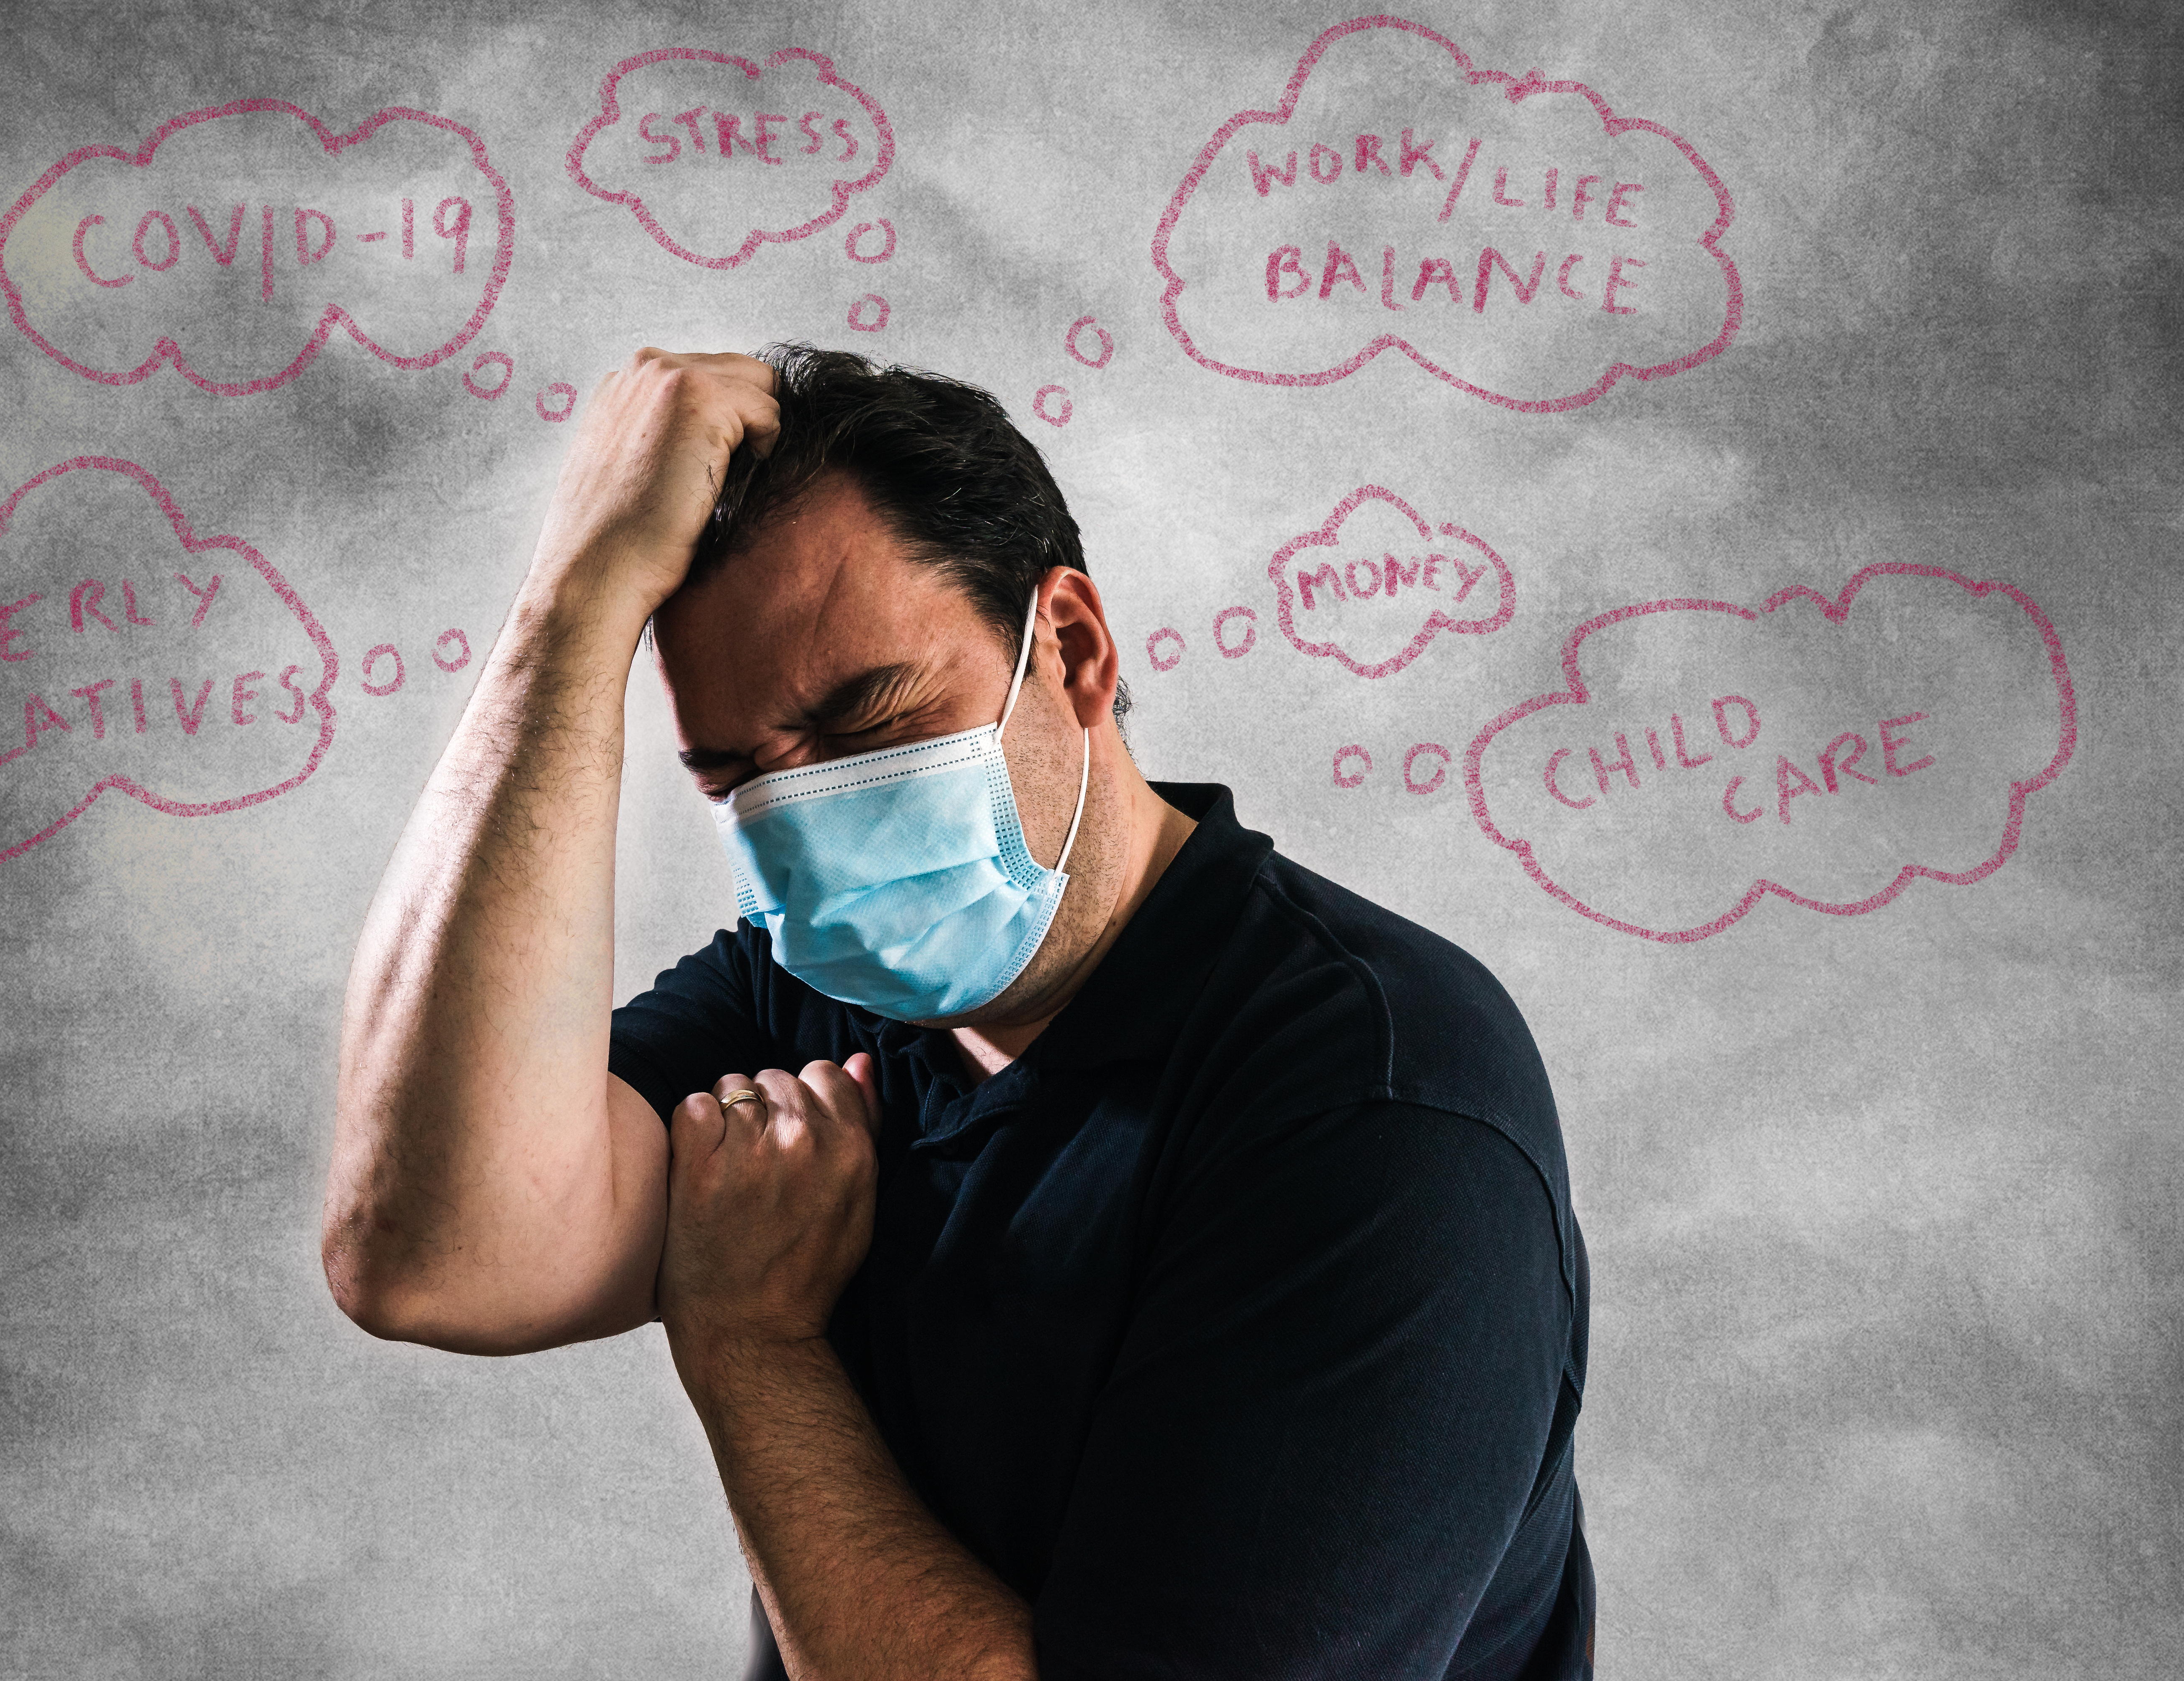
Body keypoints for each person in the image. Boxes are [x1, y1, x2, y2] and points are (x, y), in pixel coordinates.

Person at [321, 344, 1594, 1680]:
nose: (812, 824)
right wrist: (569, 606)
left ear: (1073, 650)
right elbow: (429, 1247)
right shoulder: (808, 987)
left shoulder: (1374, 1110)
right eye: (738, 774)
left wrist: (753, 1341)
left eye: (869, 719)